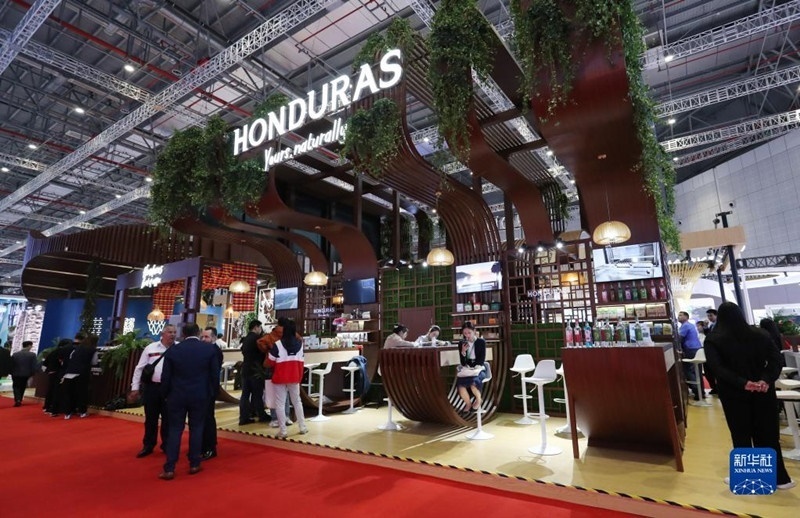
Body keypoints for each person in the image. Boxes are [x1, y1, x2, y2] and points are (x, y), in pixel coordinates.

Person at [704, 302, 795, 490]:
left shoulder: (713, 339)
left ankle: (749, 477)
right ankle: (781, 479)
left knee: (741, 433)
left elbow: (717, 368)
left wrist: (743, 383)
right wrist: (765, 380)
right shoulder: (761, 334)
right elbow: (776, 360)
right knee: (768, 433)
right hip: (763, 391)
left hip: (733, 392)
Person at [159, 322, 220, 480]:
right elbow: (215, 375)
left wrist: (165, 394)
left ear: (183, 334)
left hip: (177, 395)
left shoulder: (173, 350)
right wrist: (212, 393)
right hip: (200, 395)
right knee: (197, 428)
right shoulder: (209, 349)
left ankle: (170, 467)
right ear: (199, 333)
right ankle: (194, 463)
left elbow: (166, 376)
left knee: (174, 429)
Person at [130, 324, 176, 458]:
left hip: (170, 389)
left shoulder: (179, 348)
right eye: (169, 332)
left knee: (168, 419)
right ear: (162, 334)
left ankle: (167, 445)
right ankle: (148, 445)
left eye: (174, 332)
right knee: (151, 418)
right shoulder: (151, 348)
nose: (172, 335)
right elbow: (139, 368)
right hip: (152, 388)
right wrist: (135, 387)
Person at [265, 319, 308, 438]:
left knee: (280, 403)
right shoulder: (300, 344)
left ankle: (283, 431)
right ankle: (302, 427)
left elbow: (270, 361)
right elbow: (301, 361)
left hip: (280, 377)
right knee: (297, 401)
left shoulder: (277, 345)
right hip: (294, 376)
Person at [258, 318, 300, 427]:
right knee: (288, 395)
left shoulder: (271, 335)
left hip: (273, 366)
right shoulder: (291, 334)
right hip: (289, 366)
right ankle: (287, 417)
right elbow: (300, 341)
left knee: (274, 394)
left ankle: (275, 419)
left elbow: (260, 342)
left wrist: (267, 349)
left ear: (278, 324)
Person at [60, 334, 98, 419]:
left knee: (69, 393)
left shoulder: (77, 348)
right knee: (82, 393)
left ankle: (67, 413)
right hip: (82, 373)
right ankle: (82, 412)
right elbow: (94, 362)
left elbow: (71, 358)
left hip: (69, 373)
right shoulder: (92, 350)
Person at [238, 319, 268, 425]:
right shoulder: (258, 339)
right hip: (256, 370)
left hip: (245, 369)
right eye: (260, 327)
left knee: (245, 394)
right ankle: (261, 414)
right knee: (257, 394)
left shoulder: (245, 339)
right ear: (256, 327)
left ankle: (244, 417)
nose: (261, 330)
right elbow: (263, 352)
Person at [200, 326, 224, 460]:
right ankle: (202, 445)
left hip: (208, 390)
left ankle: (210, 447)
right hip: (201, 389)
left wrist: (213, 390)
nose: (204, 339)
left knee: (208, 418)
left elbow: (214, 373)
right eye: (202, 337)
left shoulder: (216, 352)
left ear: (214, 338)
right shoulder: (204, 350)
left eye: (206, 337)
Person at [456, 321, 486, 413]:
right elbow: (463, 362)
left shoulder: (481, 342)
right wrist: (463, 352)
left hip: (478, 368)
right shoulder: (462, 343)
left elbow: (481, 359)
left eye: (469, 333)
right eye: (465, 333)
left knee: (473, 384)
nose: (467, 335)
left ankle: (479, 400)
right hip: (467, 369)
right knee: (460, 385)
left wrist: (474, 367)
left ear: (474, 331)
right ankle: (468, 404)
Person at [678, 311, 703, 401]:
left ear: (686, 317)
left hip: (690, 349)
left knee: (688, 370)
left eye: (681, 315)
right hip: (697, 349)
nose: (678, 317)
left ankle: (696, 391)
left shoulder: (685, 326)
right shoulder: (690, 325)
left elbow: (679, 338)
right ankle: (701, 392)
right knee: (697, 372)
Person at [43, 339, 73, 414]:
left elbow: (44, 364)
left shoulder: (53, 352)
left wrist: (48, 371)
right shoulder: (63, 352)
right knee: (56, 391)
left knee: (50, 390)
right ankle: (54, 409)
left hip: (51, 373)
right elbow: (62, 363)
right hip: (58, 373)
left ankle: (47, 407)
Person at [10, 341, 37, 407]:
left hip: (15, 373)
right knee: (22, 386)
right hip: (26, 374)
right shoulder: (32, 355)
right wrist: (33, 374)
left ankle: (17, 399)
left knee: (16, 386)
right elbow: (33, 366)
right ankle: (20, 399)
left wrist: (11, 372)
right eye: (31, 345)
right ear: (29, 346)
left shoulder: (15, 354)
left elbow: (12, 364)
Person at [705, 309, 719, 394]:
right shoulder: (711, 325)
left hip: (717, 351)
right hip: (712, 350)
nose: (709, 317)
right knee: (709, 371)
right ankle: (715, 388)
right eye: (708, 316)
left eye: (711, 315)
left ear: (716, 315)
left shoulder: (719, 325)